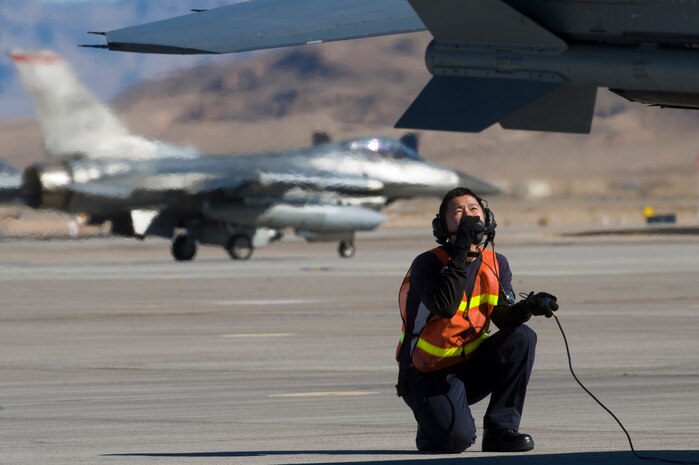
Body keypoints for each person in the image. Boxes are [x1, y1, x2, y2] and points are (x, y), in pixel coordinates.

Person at [395, 187, 559, 453]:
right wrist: (462, 250)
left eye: (474, 210)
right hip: (426, 373)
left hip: (469, 367)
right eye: (458, 212)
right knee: (456, 441)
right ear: (442, 224)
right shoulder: (427, 264)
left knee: (522, 337)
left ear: (487, 219)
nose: (468, 216)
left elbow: (503, 319)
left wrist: (529, 306)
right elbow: (445, 306)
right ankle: (431, 425)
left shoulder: (496, 263)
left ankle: (500, 431)